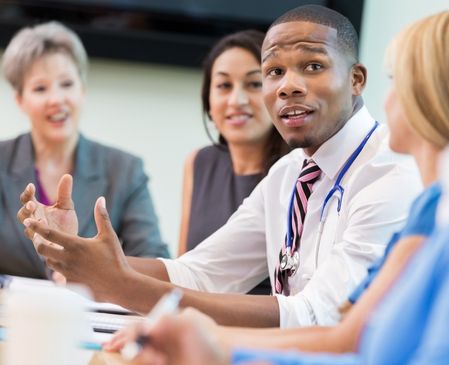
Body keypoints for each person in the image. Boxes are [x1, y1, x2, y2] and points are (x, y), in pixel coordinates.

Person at [134, 0, 449, 363]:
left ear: (439, 91)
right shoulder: (441, 202)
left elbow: (344, 332)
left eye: (396, 81)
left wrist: (228, 351)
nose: (386, 100)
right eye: (273, 72)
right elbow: (355, 341)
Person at [18, 5, 421, 328]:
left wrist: (123, 285)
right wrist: (79, 254)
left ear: (357, 79)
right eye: (275, 72)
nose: (287, 86)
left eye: (313, 66)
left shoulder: (390, 171)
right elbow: (200, 273)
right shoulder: (288, 174)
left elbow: (317, 316)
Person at [0, 21, 169, 279]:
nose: (56, 100)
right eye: (40, 88)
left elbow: (155, 262)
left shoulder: (123, 170)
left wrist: (87, 270)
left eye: (66, 84)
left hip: (92, 316)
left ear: (83, 90)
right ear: (20, 100)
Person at [179, 30, 289, 295]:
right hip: (195, 323)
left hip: (263, 331)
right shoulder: (199, 162)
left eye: (253, 84)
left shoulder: (297, 171)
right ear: (208, 101)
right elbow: (182, 269)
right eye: (224, 86)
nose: (236, 101)